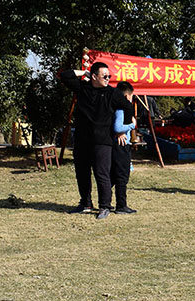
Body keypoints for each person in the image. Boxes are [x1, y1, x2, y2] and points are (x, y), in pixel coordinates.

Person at [59, 62, 134, 220]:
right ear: (94, 76)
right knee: (82, 173)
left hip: (102, 141)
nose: (107, 78)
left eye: (109, 76)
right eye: (104, 76)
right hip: (82, 140)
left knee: (102, 174)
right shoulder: (83, 88)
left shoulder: (112, 93)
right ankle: (85, 203)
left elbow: (128, 107)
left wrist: (122, 130)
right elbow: (65, 76)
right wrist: (84, 73)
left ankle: (104, 206)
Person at [112, 81, 138, 214]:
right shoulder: (121, 109)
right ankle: (121, 205)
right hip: (121, 146)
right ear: (127, 96)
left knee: (115, 176)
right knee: (121, 176)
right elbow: (117, 127)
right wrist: (132, 125)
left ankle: (107, 202)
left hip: (120, 145)